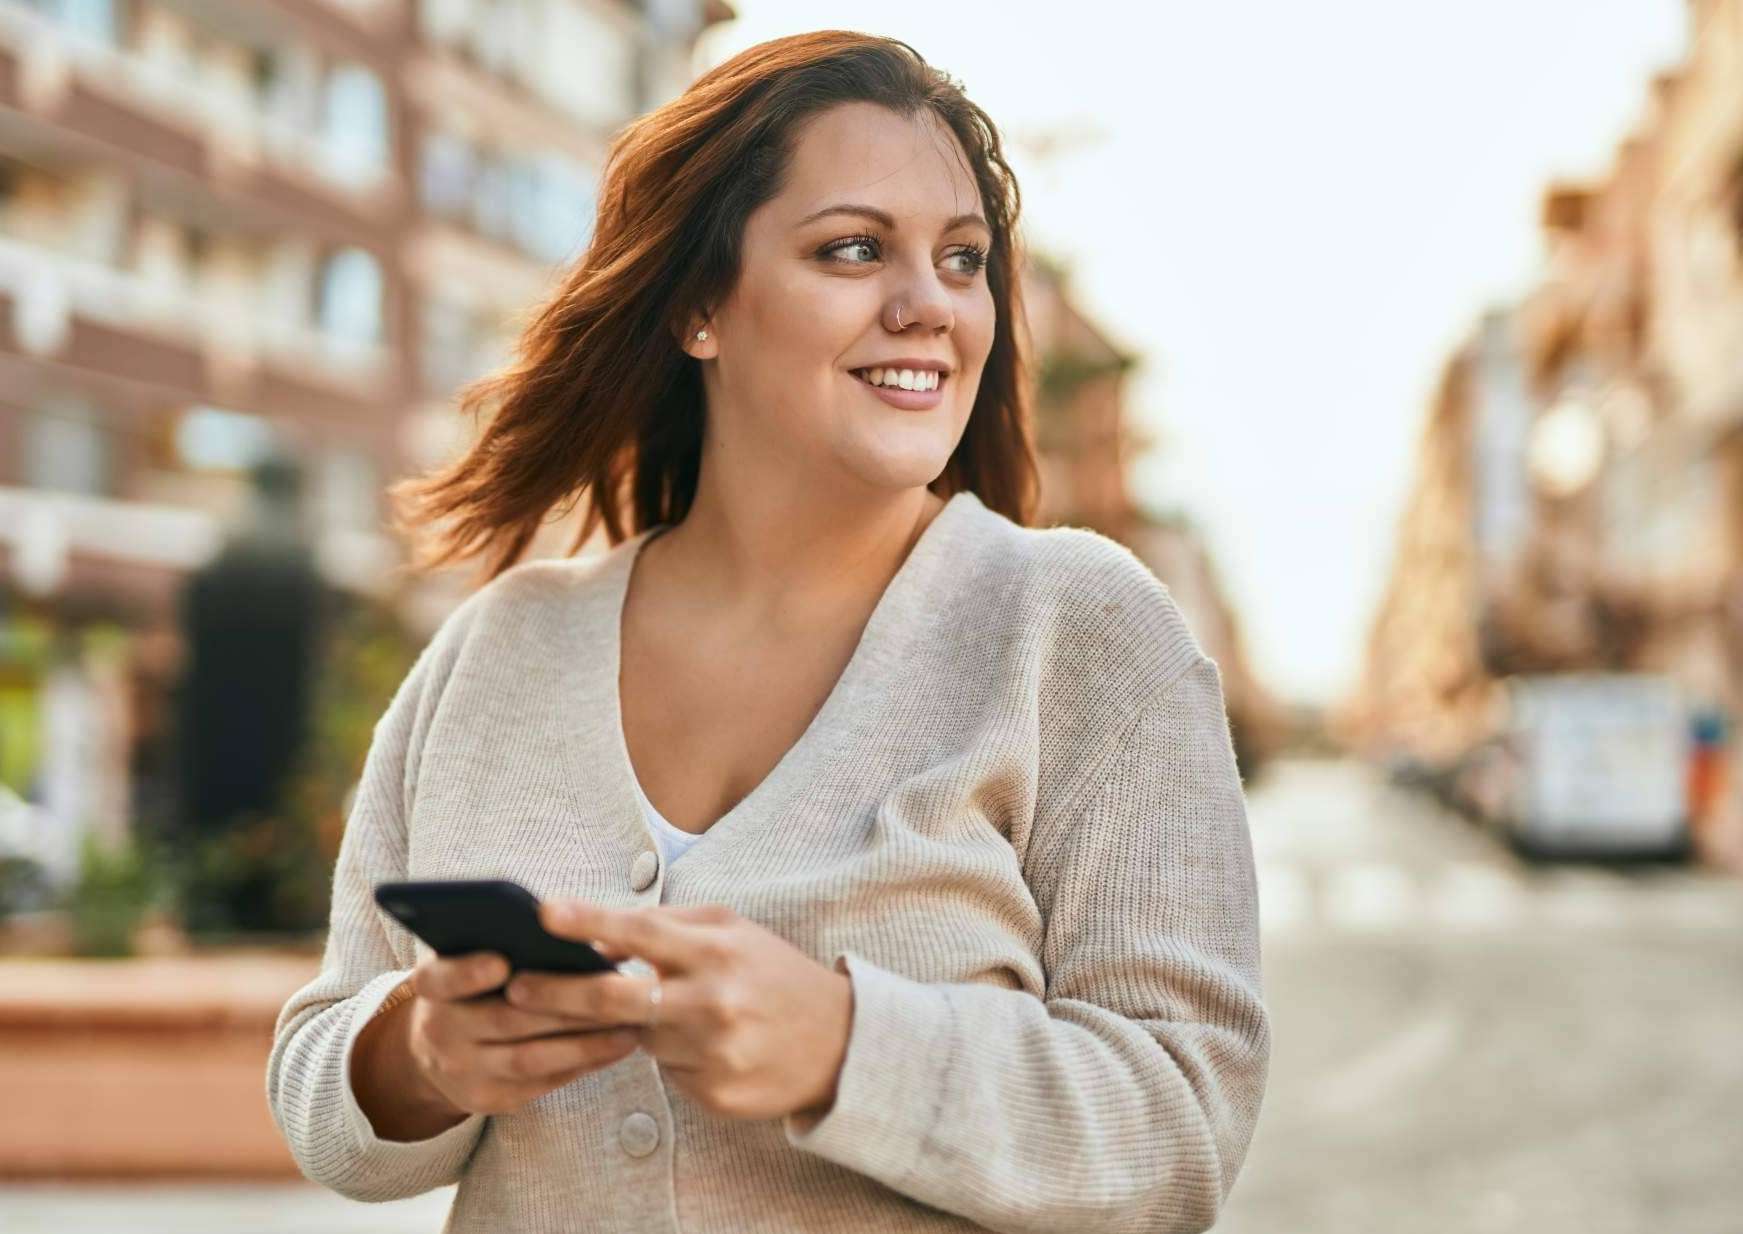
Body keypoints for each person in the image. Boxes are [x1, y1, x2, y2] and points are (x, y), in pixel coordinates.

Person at [266, 30, 1268, 1234]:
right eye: (853, 249)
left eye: (962, 261)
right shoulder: (500, 650)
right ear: (699, 305)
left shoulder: (1082, 633)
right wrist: (421, 1051)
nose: (927, 308)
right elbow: (324, 1075)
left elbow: (1182, 1129)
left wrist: (848, 1047)